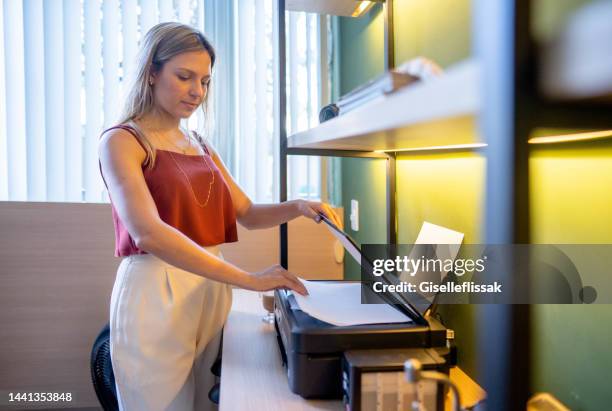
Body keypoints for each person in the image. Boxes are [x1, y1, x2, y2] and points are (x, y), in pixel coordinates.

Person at [98, 22, 341, 411]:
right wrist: (249, 280)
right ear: (151, 72)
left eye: (205, 81)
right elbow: (148, 234)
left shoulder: (200, 144)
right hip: (154, 289)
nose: (197, 91)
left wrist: (297, 206)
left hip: (209, 285)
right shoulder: (123, 141)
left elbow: (245, 212)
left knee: (210, 403)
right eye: (184, 77)